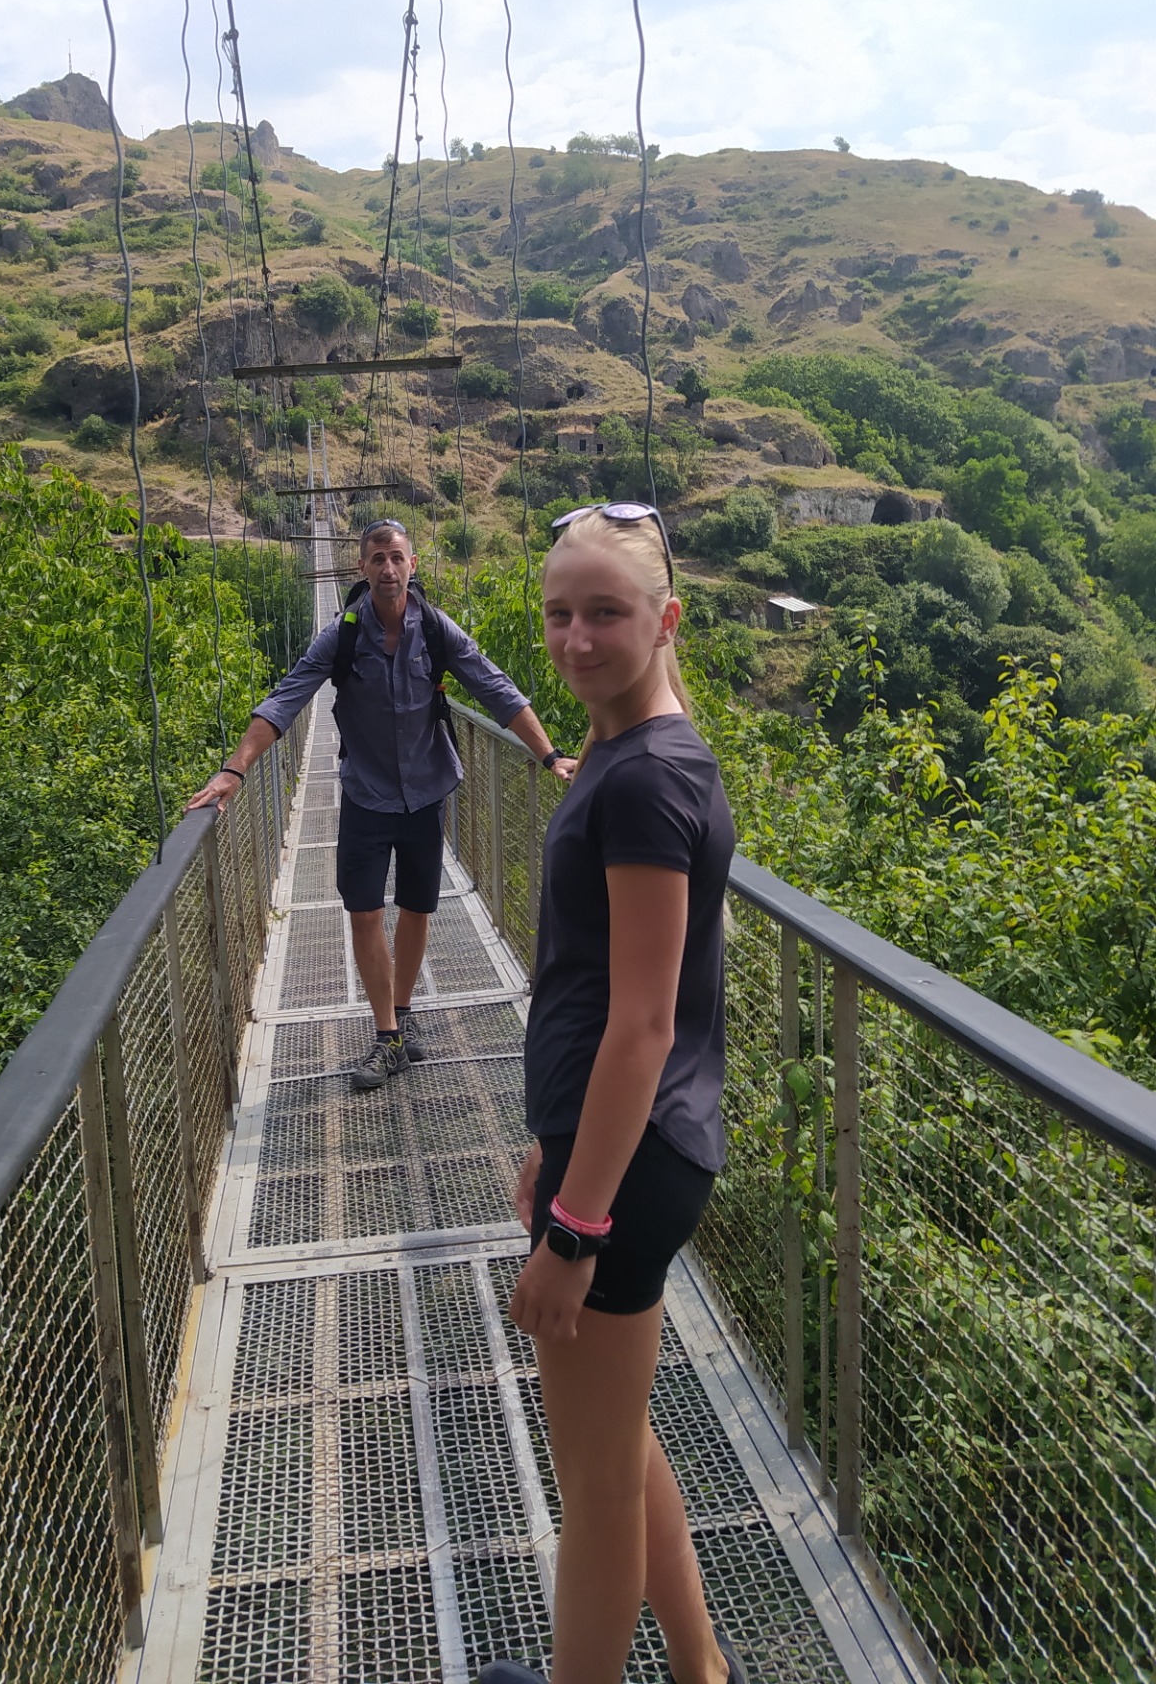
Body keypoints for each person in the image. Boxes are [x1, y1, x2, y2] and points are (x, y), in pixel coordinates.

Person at [477, 503, 745, 1684]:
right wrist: (557, 1147)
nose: (576, 639)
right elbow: (616, 998)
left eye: (605, 613)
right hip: (623, 1152)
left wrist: (575, 1228)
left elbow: (641, 1022)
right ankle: (700, 1668)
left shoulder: (640, 779)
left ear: (665, 618)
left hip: (624, 1177)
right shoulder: (644, 753)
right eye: (558, 615)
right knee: (619, 1446)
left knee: (591, 1487)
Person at [186, 518, 577, 1089]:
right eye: (377, 558)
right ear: (363, 568)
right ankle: (387, 1035)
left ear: (411, 565)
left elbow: (495, 687)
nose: (388, 568)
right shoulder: (341, 635)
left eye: (397, 557)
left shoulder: (437, 629)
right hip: (365, 795)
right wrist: (233, 770)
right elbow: (287, 698)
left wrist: (550, 756)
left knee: (417, 908)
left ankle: (403, 1011)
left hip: (426, 794)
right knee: (365, 911)